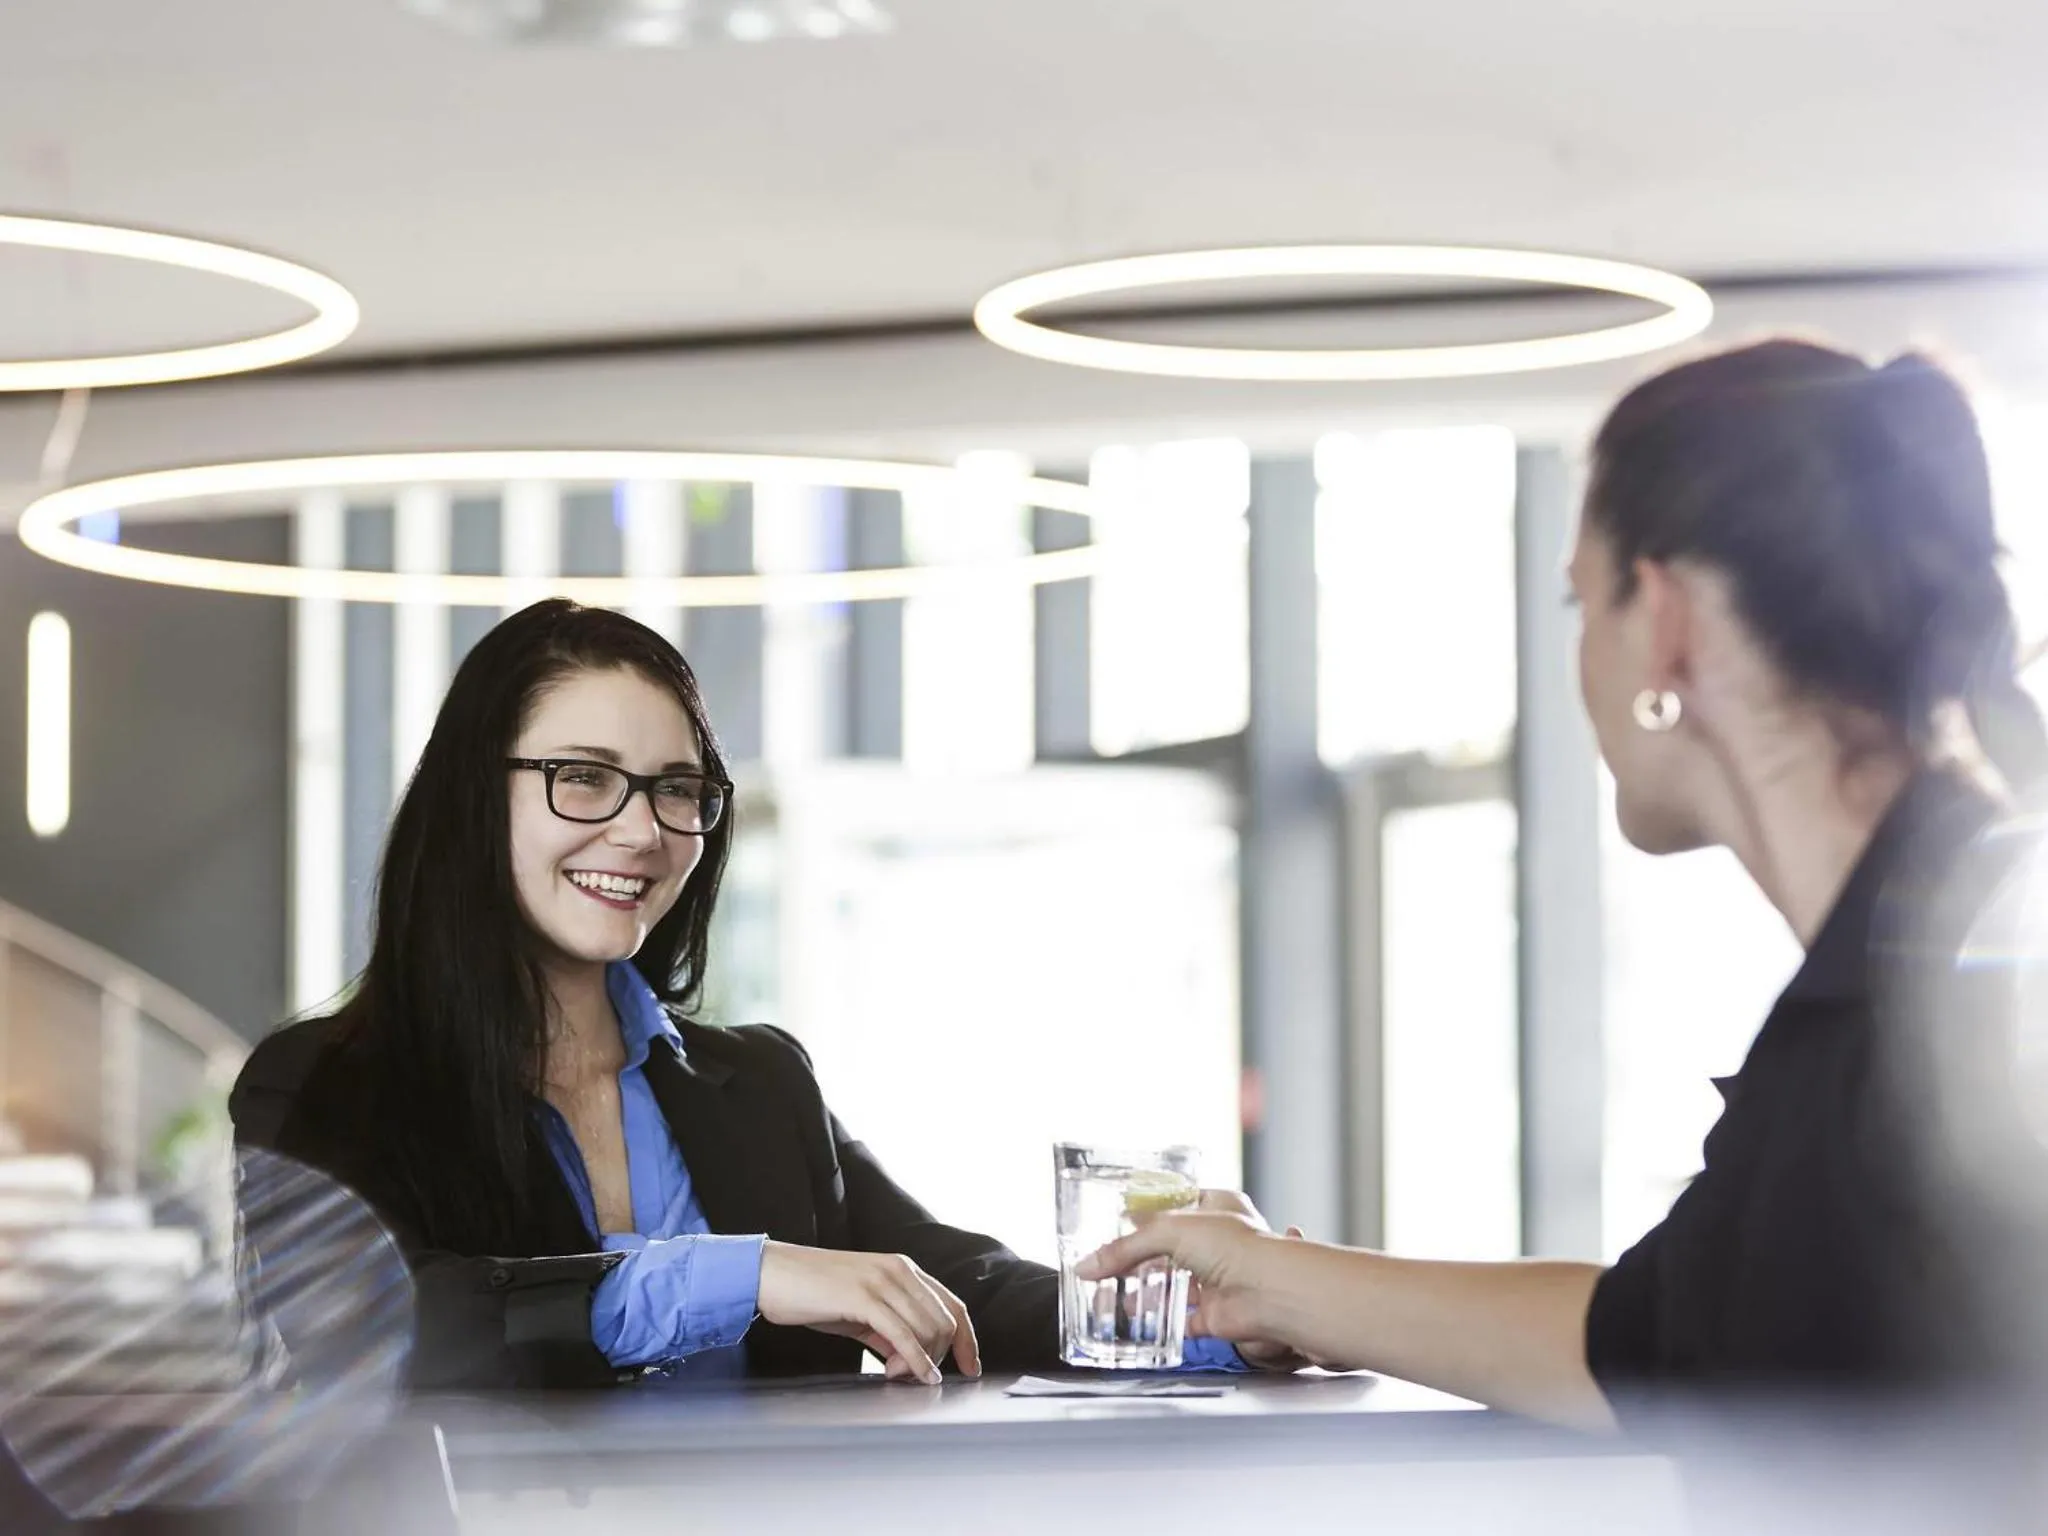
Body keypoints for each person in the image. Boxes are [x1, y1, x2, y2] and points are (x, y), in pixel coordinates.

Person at [1082, 338, 2048, 1429]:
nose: (1577, 661)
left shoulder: (1985, 980)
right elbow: (1646, 1341)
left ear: (1665, 619)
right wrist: (1264, 1280)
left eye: (1578, 606)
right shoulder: (1883, 985)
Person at [231, 599, 1254, 1390]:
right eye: (583, 777)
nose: (641, 831)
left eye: (676, 789)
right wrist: (740, 1274)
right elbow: (384, 1327)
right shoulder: (320, 1083)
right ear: (471, 799)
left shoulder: (758, 1082)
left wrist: (1208, 1326)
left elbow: (954, 1281)